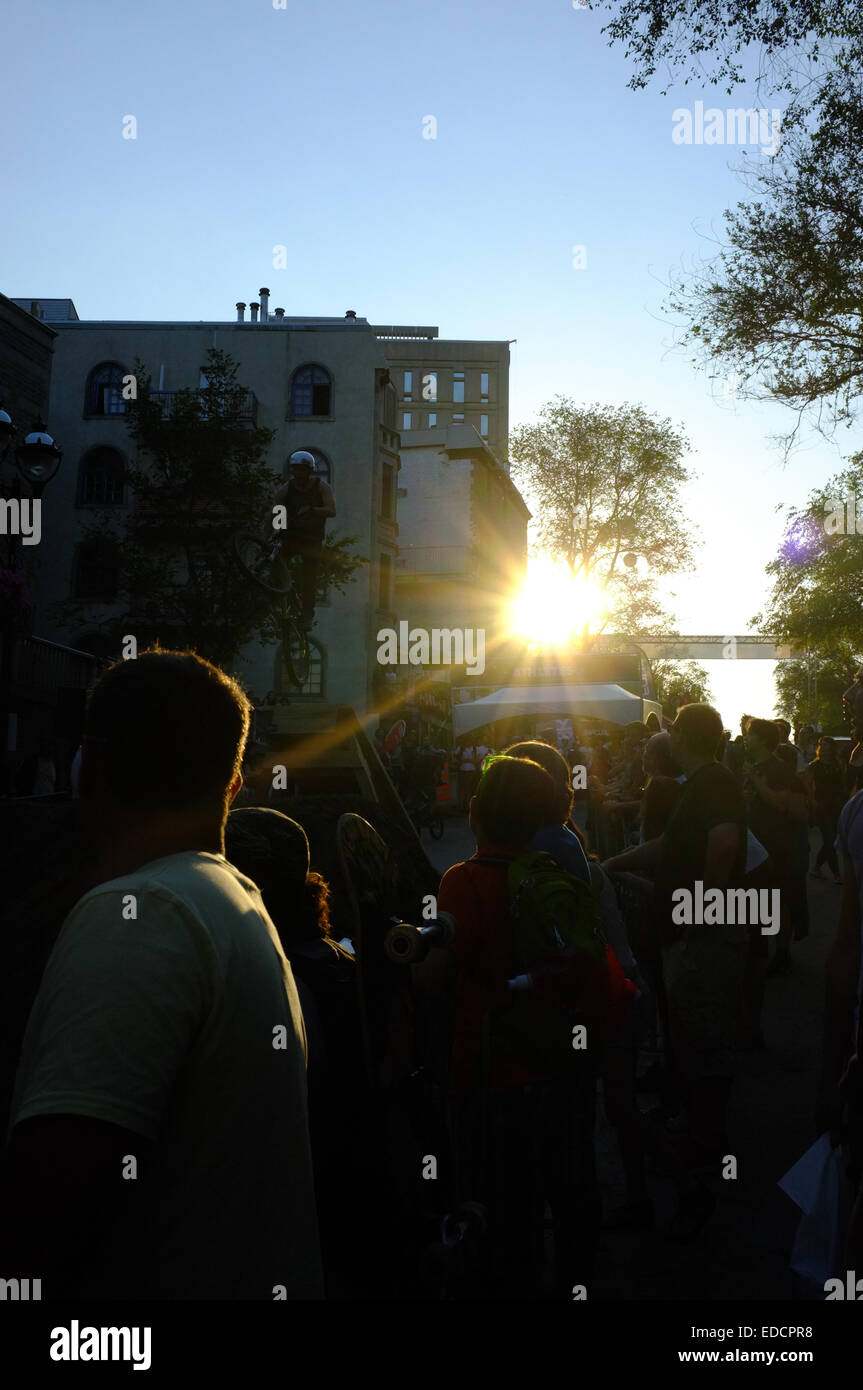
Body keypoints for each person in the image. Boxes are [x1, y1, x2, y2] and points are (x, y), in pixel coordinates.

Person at [1, 648, 323, 1299]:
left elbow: (53, 1208)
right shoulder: (234, 902)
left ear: (87, 765)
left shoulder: (140, 914)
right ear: (232, 787)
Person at [427, 755, 598, 1297]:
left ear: (473, 812)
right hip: (559, 1058)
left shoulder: (464, 880)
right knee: (565, 1184)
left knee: (498, 1202)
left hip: (489, 1069)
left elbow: (438, 975)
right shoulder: (558, 876)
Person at [604, 704, 747, 1231]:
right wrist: (622, 863)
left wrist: (699, 915)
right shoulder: (701, 782)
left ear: (684, 735)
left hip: (703, 938)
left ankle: (707, 1143)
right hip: (693, 932)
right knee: (691, 1039)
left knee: (706, 1042)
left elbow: (725, 842)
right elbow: (674, 844)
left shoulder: (715, 781)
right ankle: (699, 1135)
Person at [743, 717, 809, 974]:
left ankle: (782, 953)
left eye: (750, 735)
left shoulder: (779, 769)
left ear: (761, 739)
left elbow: (783, 804)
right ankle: (760, 950)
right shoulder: (752, 766)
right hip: (756, 845)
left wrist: (755, 783)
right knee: (760, 901)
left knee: (778, 902)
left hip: (777, 847)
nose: (746, 739)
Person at [270, 449, 336, 630]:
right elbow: (277, 509)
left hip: (312, 540)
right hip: (292, 536)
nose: (298, 474)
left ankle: (306, 616)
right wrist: (276, 530)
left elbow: (331, 510)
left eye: (302, 470)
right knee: (275, 563)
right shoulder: (286, 489)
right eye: (295, 470)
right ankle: (283, 598)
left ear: (310, 471)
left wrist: (313, 509)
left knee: (309, 579)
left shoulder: (322, 487)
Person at [805, 736, 844, 883]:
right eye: (822, 745)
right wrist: (812, 802)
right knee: (829, 839)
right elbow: (808, 786)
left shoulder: (837, 764)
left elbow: (843, 783)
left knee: (832, 839)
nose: (824, 747)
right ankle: (836, 873)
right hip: (821, 805)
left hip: (836, 805)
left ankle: (816, 866)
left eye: (827, 745)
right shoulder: (814, 766)